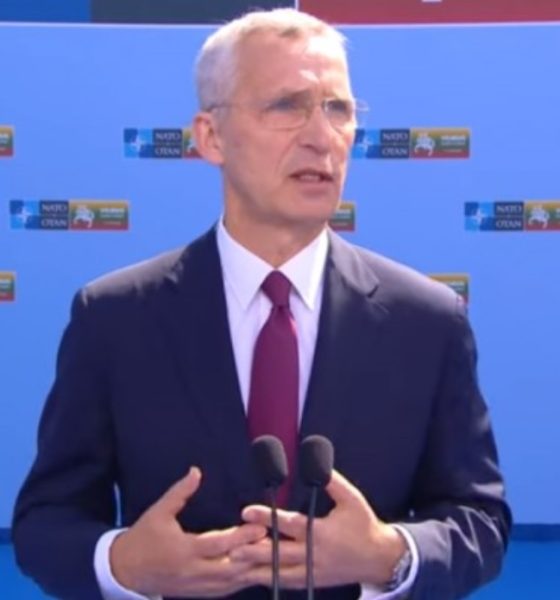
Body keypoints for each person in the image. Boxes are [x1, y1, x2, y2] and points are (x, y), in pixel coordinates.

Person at [12, 8, 511, 600]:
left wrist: (389, 555)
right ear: (211, 137)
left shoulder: (426, 321)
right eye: (286, 106)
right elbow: (46, 522)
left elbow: (479, 521)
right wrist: (124, 564)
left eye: (338, 109)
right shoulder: (116, 318)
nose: (321, 136)